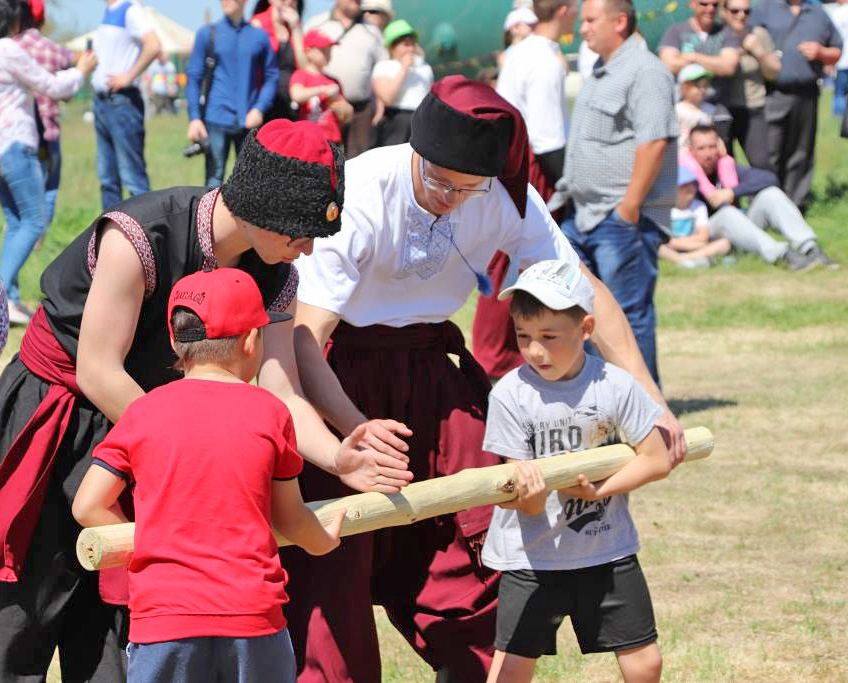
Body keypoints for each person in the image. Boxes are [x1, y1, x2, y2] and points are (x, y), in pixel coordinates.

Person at [286, 75, 686, 683]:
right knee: (335, 553)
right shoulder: (362, 191)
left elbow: (583, 293)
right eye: (438, 181)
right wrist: (354, 430)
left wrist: (650, 399)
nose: (449, 197)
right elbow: (305, 341)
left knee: (484, 530)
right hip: (339, 376)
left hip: (430, 373)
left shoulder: (502, 197)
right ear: (415, 150)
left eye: (464, 188)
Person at [0, 119, 411, 683]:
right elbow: (98, 371)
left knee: (114, 632)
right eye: (300, 232)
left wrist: (339, 457)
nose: (309, 247)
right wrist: (186, 444)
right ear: (263, 208)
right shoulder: (139, 236)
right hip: (63, 422)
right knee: (24, 619)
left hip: (157, 437)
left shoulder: (276, 276)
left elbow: (279, 388)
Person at [71, 267, 347, 683]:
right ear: (252, 341)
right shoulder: (270, 412)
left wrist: (152, 545)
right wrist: (324, 540)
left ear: (173, 340)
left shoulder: (143, 412)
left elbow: (87, 504)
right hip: (251, 617)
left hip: (164, 619)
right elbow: (290, 518)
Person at [481, 260, 671, 683]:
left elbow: (656, 459)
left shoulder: (615, 385)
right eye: (523, 336)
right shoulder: (511, 394)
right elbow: (523, 501)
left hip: (606, 549)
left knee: (646, 663)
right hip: (531, 556)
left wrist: (601, 491)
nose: (534, 350)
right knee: (511, 668)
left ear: (586, 329)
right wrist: (529, 495)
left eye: (549, 337)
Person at [552, 0, 678, 386]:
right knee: (587, 317)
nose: (583, 28)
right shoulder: (602, 70)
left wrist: (628, 210)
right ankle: (602, 406)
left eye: (590, 20)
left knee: (627, 316)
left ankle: (645, 411)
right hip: (585, 215)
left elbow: (654, 143)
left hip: (619, 221)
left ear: (620, 21)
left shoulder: (646, 71)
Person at [473, 0, 576, 383]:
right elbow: (548, 137)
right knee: (524, 261)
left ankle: (497, 355)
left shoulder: (519, 51)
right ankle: (495, 358)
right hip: (532, 166)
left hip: (511, 161)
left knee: (506, 260)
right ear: (565, 10)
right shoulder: (546, 60)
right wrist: (569, 188)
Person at [0, 0, 96, 326]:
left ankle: (8, 299)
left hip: (1, 148)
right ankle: (1, 295)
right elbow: (51, 86)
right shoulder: (9, 51)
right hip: (16, 144)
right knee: (34, 221)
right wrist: (82, 71)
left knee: (16, 222)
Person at [683, 124, 837, 269]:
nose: (708, 154)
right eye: (701, 148)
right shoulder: (683, 176)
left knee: (770, 194)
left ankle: (810, 248)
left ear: (719, 146)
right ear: (690, 150)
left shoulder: (724, 165)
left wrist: (732, 192)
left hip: (740, 229)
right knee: (727, 214)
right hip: (706, 234)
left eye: (712, 146)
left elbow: (769, 178)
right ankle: (782, 256)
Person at [750, 0, 842, 212]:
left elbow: (837, 50)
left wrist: (821, 53)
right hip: (773, 92)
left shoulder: (818, 12)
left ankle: (797, 204)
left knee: (802, 151)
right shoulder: (764, 8)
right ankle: (769, 204)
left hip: (807, 93)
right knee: (770, 151)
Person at [187, 0, 280, 189]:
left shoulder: (259, 37)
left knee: (249, 181)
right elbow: (194, 76)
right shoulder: (207, 34)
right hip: (215, 118)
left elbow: (272, 77)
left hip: (248, 120)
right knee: (213, 180)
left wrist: (259, 108)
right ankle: (209, 218)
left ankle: (242, 219)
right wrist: (195, 118)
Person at [14, 0, 73, 246]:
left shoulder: (9, 47)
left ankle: (19, 233)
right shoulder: (54, 50)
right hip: (48, 130)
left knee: (19, 190)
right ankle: (39, 241)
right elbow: (67, 92)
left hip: (15, 133)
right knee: (49, 186)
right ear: (42, 19)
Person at [92, 0, 161, 210]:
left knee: (133, 180)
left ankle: (145, 238)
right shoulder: (109, 12)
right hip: (102, 103)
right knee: (108, 180)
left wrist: (129, 76)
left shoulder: (130, 10)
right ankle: (109, 238)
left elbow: (154, 45)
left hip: (122, 103)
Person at [304, 0, 385, 158]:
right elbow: (302, 61)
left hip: (361, 110)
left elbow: (381, 69)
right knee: (322, 157)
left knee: (359, 160)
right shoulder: (316, 23)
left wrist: (380, 104)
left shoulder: (373, 32)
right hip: (323, 108)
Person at [718, 0, 781, 170]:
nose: (741, 15)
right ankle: (730, 197)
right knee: (724, 167)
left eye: (747, 11)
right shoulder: (716, 34)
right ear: (723, 11)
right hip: (721, 110)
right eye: (735, 11)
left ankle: (763, 195)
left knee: (762, 164)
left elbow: (774, 72)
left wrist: (758, 51)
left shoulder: (758, 34)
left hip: (753, 108)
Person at [675, 63, 739, 190]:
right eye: (697, 87)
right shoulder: (678, 110)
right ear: (684, 88)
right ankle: (710, 193)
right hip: (684, 155)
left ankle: (731, 192)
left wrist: (719, 142)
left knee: (727, 161)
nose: (702, 90)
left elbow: (712, 133)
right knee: (691, 164)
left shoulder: (710, 109)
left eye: (705, 86)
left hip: (706, 153)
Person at [371, 19, 433, 146]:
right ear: (393, 47)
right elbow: (388, 98)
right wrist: (404, 68)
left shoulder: (424, 67)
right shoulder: (384, 66)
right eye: (406, 45)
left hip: (420, 120)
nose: (411, 49)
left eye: (413, 44)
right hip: (396, 119)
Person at [289, 29, 353, 144]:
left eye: (329, 50)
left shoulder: (333, 81)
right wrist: (322, 89)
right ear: (308, 51)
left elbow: (346, 115)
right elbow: (296, 95)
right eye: (323, 50)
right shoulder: (301, 75)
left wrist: (342, 109)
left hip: (331, 139)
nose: (327, 54)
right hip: (308, 138)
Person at [660, 166, 731, 268]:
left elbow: (703, 236)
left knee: (724, 244)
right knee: (658, 247)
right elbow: (665, 239)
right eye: (684, 185)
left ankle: (682, 259)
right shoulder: (665, 208)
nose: (690, 188)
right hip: (673, 247)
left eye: (692, 184)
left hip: (693, 246)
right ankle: (692, 259)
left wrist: (683, 244)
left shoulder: (699, 206)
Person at [250, 0, 306, 122]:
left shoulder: (295, 27)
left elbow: (303, 67)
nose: (289, 2)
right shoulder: (257, 24)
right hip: (263, 100)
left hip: (288, 101)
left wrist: (296, 28)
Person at [498, 5, 538, 69]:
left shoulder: (537, 50)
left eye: (535, 24)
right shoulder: (504, 58)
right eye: (530, 24)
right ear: (514, 28)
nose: (534, 27)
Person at [830, 0, 848, 116]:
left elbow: (831, 36)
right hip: (841, 58)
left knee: (839, 92)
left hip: (841, 58)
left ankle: (839, 117)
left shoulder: (838, 13)